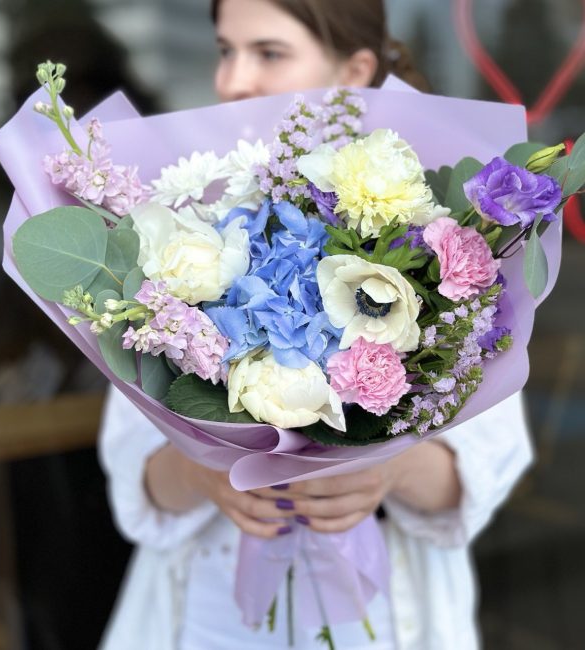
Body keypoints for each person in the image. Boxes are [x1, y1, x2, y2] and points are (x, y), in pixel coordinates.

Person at [98, 1, 533, 648]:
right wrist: (201, 470)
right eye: (225, 50)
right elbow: (138, 479)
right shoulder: (179, 234)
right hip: (213, 613)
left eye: (269, 52)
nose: (234, 80)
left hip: (382, 614)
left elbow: (479, 470)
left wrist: (386, 471)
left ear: (354, 70)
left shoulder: (433, 235)